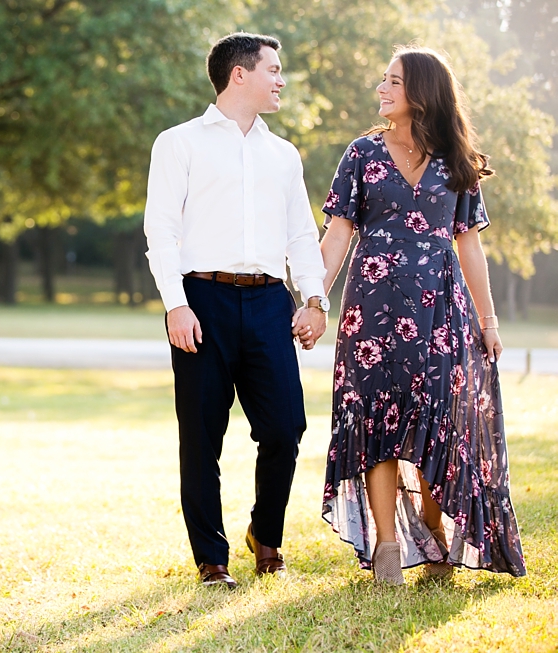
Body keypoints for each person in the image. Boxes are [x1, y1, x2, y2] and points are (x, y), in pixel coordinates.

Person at [317, 46, 526, 584]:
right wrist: (314, 298)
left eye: (392, 82)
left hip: (442, 310)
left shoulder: (456, 160)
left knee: (440, 425)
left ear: (422, 93)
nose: (381, 90)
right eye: (383, 80)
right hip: (372, 312)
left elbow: (469, 246)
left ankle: (433, 538)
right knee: (377, 422)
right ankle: (388, 548)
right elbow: (338, 233)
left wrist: (489, 320)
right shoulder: (361, 155)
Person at [144, 32, 329, 589]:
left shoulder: (284, 154)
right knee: (202, 435)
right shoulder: (178, 143)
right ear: (239, 75)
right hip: (202, 301)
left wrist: (315, 299)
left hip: (271, 301)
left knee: (285, 426)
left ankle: (264, 534)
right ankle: (212, 559)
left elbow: (301, 235)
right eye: (273, 69)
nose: (282, 80)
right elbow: (162, 231)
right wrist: (176, 304)